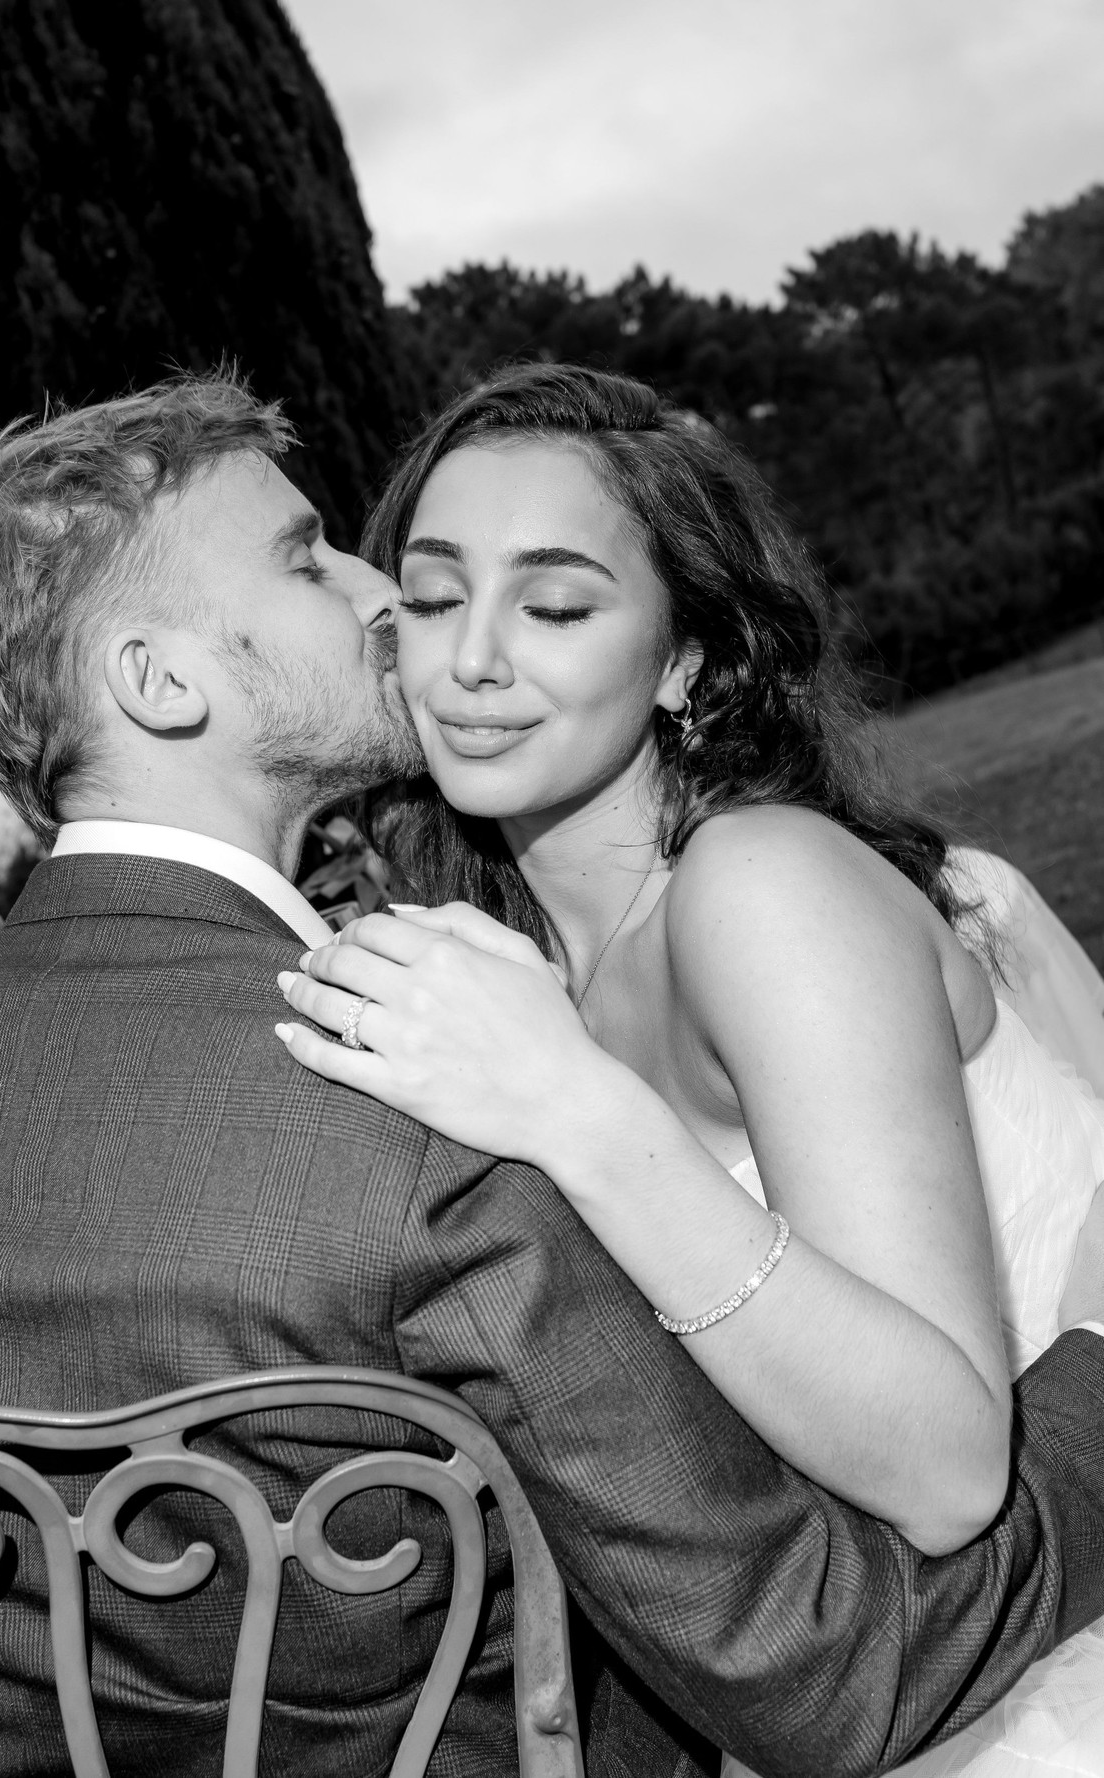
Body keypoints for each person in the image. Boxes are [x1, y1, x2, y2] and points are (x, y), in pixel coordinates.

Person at [0, 373, 1104, 1778]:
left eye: (550, 602)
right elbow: (807, 1657)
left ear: (689, 655)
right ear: (161, 681)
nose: (382, 600)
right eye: (309, 556)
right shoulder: (401, 1088)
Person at [274, 363, 1104, 1774]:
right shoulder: (518, 958)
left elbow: (952, 1467)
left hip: (1030, 1651)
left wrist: (580, 1112)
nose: (470, 658)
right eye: (429, 592)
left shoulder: (758, 885)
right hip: (848, 1663)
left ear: (688, 662)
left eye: (553, 605)